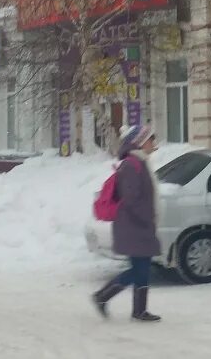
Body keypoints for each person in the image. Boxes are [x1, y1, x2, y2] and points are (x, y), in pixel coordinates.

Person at [92, 124, 161, 322]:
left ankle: (139, 310)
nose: (153, 143)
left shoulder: (139, 162)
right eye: (150, 139)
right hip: (134, 225)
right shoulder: (132, 165)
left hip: (138, 225)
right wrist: (146, 218)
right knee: (139, 269)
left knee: (142, 267)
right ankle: (102, 296)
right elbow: (131, 199)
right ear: (140, 142)